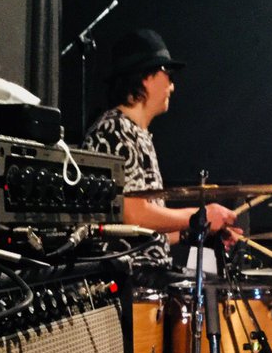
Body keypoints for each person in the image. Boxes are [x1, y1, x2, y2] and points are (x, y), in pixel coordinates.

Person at [82, 29, 238, 248]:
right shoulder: (114, 131)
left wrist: (195, 232)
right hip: (126, 268)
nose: (172, 86)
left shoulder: (138, 133)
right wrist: (200, 216)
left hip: (147, 265)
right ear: (146, 77)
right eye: (169, 75)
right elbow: (133, 216)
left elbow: (148, 233)